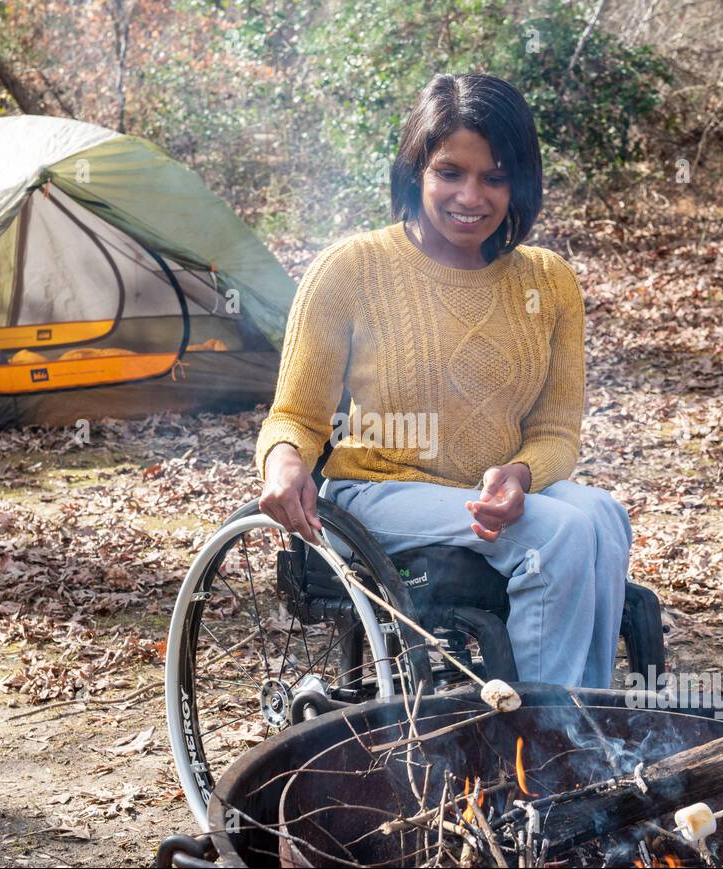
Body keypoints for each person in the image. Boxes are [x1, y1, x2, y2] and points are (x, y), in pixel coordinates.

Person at [254, 72, 632, 689]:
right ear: (415, 172)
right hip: (378, 492)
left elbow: (556, 431)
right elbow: (295, 414)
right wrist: (284, 462)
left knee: (602, 514)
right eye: (450, 172)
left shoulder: (549, 281)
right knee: (560, 530)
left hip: (495, 496)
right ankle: (542, 743)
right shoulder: (352, 269)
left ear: (521, 183)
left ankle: (580, 723)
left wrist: (522, 474)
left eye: (495, 176)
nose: (471, 195)